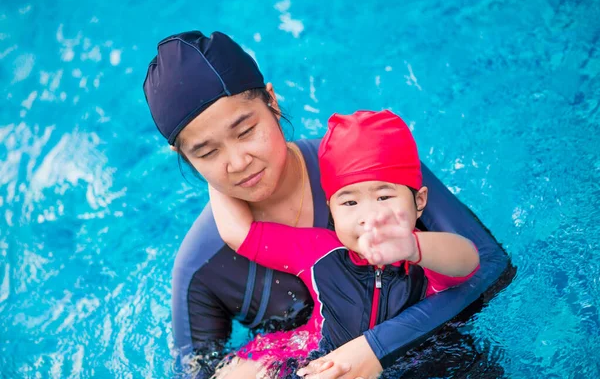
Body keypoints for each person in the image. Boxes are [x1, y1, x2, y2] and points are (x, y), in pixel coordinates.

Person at [142, 30, 510, 379]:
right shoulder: (200, 267)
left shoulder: (370, 162)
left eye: (246, 131)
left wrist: (375, 348)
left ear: (272, 101)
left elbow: (491, 266)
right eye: (207, 152)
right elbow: (197, 371)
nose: (238, 162)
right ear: (185, 157)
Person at [208, 110, 480, 378]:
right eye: (349, 202)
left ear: (419, 202)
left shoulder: (425, 260)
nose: (368, 216)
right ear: (331, 209)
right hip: (318, 362)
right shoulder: (318, 249)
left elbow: (469, 260)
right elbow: (239, 233)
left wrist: (414, 248)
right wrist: (212, 160)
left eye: (384, 197)